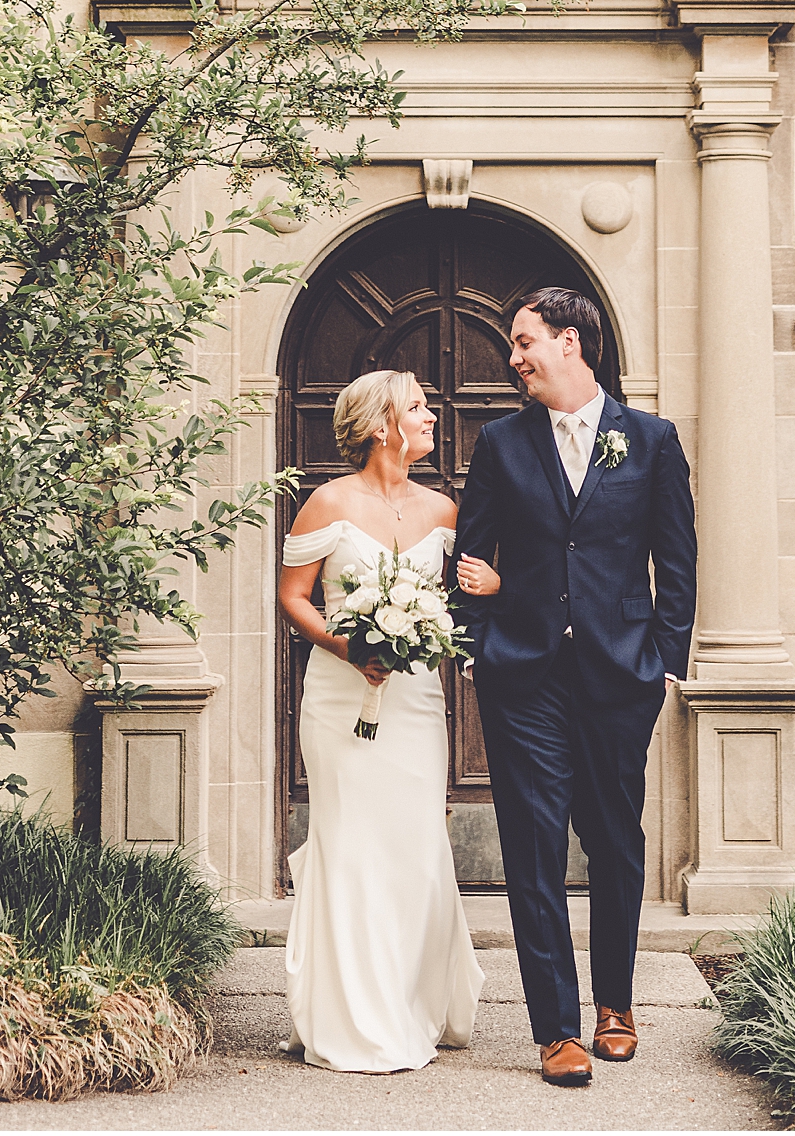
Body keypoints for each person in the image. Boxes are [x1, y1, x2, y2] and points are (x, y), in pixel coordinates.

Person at [451, 287, 697, 1087]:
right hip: (523, 677)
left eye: (524, 342)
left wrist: (666, 658)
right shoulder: (500, 442)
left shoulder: (650, 441)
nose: (513, 356)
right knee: (532, 845)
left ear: (569, 341)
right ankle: (556, 1028)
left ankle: (616, 1005)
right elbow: (470, 554)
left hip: (621, 673)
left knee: (616, 840)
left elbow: (678, 557)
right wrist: (482, 630)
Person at [275, 369, 500, 1073]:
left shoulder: (445, 510)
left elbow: (474, 598)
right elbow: (294, 598)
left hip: (415, 702)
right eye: (419, 408)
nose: (433, 417)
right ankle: (350, 1014)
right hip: (340, 700)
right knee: (350, 840)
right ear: (382, 424)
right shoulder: (326, 504)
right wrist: (347, 646)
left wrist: (492, 586)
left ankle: (408, 1001)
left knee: (411, 843)